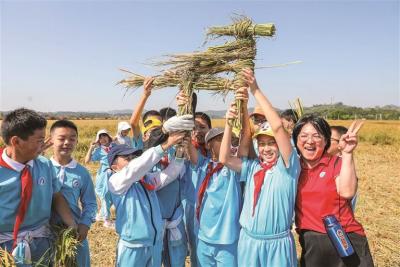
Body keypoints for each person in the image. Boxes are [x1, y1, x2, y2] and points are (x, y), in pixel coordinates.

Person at [219, 69, 301, 267]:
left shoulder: (288, 167)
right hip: (248, 241)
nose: (266, 149)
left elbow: (279, 128)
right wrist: (229, 125)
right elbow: (224, 159)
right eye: (262, 144)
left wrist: (255, 89)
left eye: (271, 143)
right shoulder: (255, 168)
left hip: (277, 244)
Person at [107, 115, 192, 267]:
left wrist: (179, 153)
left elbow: (168, 175)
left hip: (154, 245)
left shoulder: (144, 180)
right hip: (133, 248)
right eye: (126, 157)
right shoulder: (116, 182)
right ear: (114, 167)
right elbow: (137, 167)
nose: (132, 159)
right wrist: (165, 145)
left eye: (133, 155)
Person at [293, 116, 374, 266]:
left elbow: (347, 192)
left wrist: (348, 153)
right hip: (312, 242)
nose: (310, 141)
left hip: (344, 239)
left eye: (317, 136)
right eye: (303, 136)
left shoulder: (335, 163)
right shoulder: (293, 167)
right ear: (296, 140)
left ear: (326, 141)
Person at [0, 108, 76, 266]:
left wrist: (72, 224)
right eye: (39, 140)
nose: (45, 144)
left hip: (41, 243)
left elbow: (55, 195)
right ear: (16, 142)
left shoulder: (44, 164)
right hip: (5, 249)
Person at [49, 119, 97, 267]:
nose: (67, 142)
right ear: (51, 140)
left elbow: (90, 203)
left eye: (72, 139)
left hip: (74, 232)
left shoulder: (82, 172)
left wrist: (84, 224)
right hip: (46, 233)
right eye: (62, 138)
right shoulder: (43, 168)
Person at [176, 90, 212, 267]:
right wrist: (183, 108)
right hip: (189, 205)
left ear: (210, 130)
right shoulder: (186, 149)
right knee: (191, 245)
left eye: (202, 127)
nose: (198, 131)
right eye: (194, 127)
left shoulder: (216, 152)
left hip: (210, 207)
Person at [84, 129, 114, 228]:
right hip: (104, 175)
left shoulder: (114, 147)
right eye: (100, 138)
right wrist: (91, 148)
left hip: (114, 174)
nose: (103, 139)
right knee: (104, 195)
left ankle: (103, 216)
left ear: (108, 136)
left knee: (110, 195)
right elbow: (87, 161)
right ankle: (105, 218)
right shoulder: (99, 150)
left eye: (104, 136)